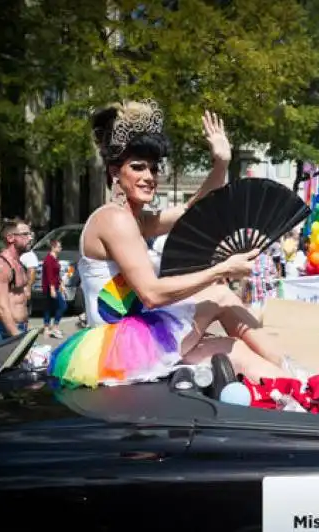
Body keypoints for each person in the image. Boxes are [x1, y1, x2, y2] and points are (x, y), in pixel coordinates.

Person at [50, 100, 299, 388]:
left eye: (154, 169)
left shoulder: (135, 220)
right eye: (138, 167)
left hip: (138, 338)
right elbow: (151, 295)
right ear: (115, 171)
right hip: (122, 348)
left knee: (234, 348)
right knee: (219, 294)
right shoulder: (114, 220)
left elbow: (192, 211)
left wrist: (222, 163)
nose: (149, 177)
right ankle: (302, 381)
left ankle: (294, 385)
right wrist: (222, 269)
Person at [0, 218, 33, 347]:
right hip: (2, 333)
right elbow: (1, 308)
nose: (30, 238)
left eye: (30, 234)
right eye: (26, 234)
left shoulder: (19, 264)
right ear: (10, 238)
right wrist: (17, 336)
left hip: (19, 329)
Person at [42, 239, 67, 338]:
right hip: (50, 287)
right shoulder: (49, 259)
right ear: (53, 247)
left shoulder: (55, 258)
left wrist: (61, 284)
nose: (61, 248)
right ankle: (54, 327)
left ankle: (46, 328)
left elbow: (56, 274)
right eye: (59, 247)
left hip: (55, 285)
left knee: (49, 307)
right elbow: (49, 275)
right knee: (62, 306)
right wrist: (52, 288)